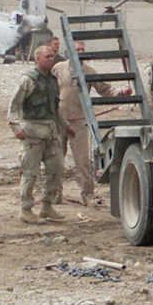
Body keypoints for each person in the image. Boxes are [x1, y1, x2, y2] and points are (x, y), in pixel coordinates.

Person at [51, 41, 131, 206]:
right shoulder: (58, 68)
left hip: (78, 123)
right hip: (59, 121)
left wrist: (121, 92)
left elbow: (106, 91)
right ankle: (54, 194)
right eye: (77, 50)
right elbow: (48, 89)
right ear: (70, 52)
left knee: (83, 161)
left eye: (82, 50)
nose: (80, 52)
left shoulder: (89, 71)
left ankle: (87, 194)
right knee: (56, 159)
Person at [9, 45, 71, 224]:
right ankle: (26, 210)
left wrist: (66, 126)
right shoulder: (28, 80)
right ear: (37, 59)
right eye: (47, 57)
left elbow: (55, 108)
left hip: (51, 133)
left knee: (57, 169)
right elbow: (14, 106)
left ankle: (47, 205)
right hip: (33, 133)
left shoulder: (52, 80)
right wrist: (15, 128)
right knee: (30, 172)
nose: (51, 59)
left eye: (52, 56)